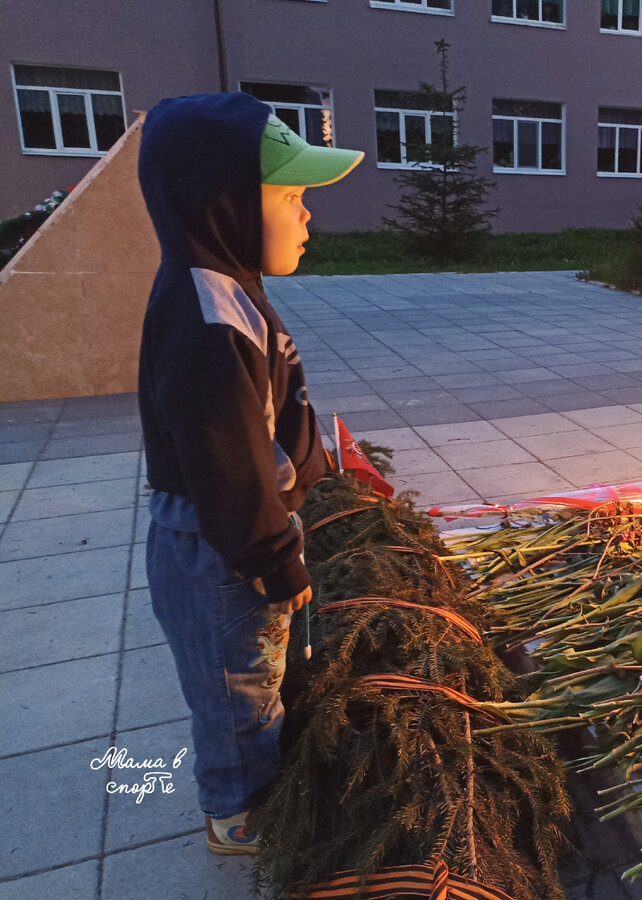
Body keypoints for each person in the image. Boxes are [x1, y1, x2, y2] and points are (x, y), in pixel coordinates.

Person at [136, 92, 362, 854]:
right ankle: (241, 817)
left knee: (260, 675)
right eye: (291, 196)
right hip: (219, 547)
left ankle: (272, 779)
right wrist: (273, 557)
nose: (307, 217)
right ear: (224, 205)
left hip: (240, 532)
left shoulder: (231, 293)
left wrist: (313, 475)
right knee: (236, 694)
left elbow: (275, 411)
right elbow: (225, 462)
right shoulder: (207, 321)